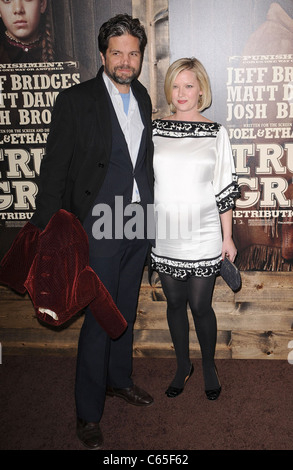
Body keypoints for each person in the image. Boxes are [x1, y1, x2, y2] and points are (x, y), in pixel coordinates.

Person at [30, 14, 154, 449]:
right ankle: (88, 411)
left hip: (138, 221)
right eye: (117, 52)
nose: (125, 60)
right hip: (98, 224)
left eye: (133, 52)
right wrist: (49, 229)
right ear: (102, 55)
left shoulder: (142, 96)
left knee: (124, 307)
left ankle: (119, 379)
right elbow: (54, 170)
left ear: (140, 56)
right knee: (100, 319)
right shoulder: (76, 100)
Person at [151, 58, 239, 401]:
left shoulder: (217, 133)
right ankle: (181, 365)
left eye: (189, 85)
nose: (181, 92)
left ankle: (208, 366)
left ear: (201, 89)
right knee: (174, 302)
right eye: (175, 85)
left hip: (204, 233)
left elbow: (224, 188)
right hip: (166, 232)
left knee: (201, 306)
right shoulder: (155, 129)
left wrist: (227, 236)